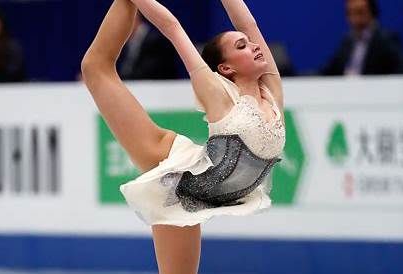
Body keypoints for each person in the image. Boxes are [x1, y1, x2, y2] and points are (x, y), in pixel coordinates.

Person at [81, 0, 285, 273]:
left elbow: (248, 24)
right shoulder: (217, 94)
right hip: (173, 174)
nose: (256, 45)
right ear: (226, 69)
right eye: (242, 46)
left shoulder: (272, 92)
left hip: (201, 194)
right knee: (95, 67)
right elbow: (172, 26)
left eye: (249, 43)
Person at [322, 0, 403, 76]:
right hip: (346, 92)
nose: (355, 19)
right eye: (350, 13)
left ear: (373, 13)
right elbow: (330, 70)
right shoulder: (347, 41)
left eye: (360, 12)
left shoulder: (385, 39)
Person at [119, 12, 179, 79]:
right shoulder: (126, 43)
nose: (119, 27)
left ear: (134, 18)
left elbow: (147, 73)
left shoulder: (155, 41)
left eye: (121, 22)